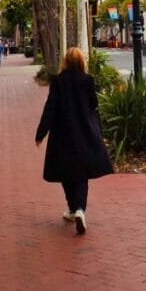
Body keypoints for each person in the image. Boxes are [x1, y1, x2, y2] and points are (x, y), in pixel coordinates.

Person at [35, 47, 113, 235]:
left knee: (65, 171)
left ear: (66, 62)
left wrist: (41, 132)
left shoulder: (58, 81)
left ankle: (72, 208)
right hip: (85, 131)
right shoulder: (87, 80)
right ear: (81, 62)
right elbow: (94, 104)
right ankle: (79, 209)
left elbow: (51, 107)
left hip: (62, 132)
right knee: (82, 173)